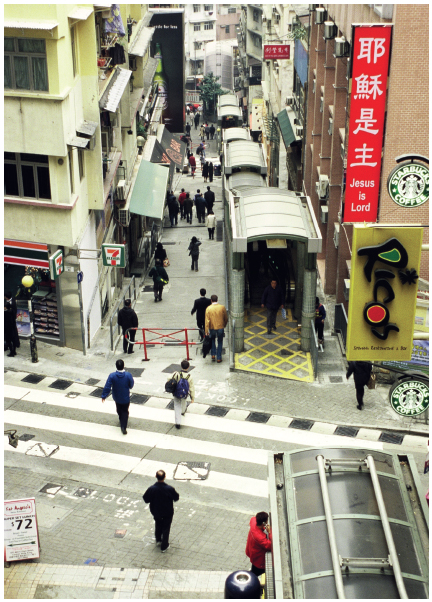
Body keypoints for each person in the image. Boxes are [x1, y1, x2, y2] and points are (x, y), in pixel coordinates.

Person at [143, 470, 180, 553]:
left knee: (158, 524)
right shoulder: (169, 489)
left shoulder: (152, 489)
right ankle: (164, 546)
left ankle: (158, 540)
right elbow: (176, 498)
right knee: (166, 528)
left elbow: (146, 499)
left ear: (156, 477)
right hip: (167, 512)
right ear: (165, 477)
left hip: (156, 511)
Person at [101, 359, 134, 435]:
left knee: (119, 410)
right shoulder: (128, 375)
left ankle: (121, 420)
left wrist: (104, 396)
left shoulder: (112, 376)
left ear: (116, 366)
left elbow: (107, 386)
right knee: (125, 411)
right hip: (125, 397)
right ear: (123, 366)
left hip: (117, 397)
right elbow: (131, 385)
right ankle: (123, 426)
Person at [169, 359, 195, 429]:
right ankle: (183, 411)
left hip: (176, 392)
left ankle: (178, 423)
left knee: (177, 405)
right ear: (188, 367)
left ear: (181, 366)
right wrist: (192, 398)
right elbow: (192, 388)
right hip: (184, 393)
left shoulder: (176, 374)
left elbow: (168, 378)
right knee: (184, 402)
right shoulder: (190, 376)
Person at [245, 512, 272, 577]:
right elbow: (270, 545)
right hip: (259, 561)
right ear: (264, 523)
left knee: (254, 569)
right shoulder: (260, 537)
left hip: (252, 552)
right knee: (256, 574)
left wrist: (264, 527)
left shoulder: (253, 522)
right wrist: (270, 532)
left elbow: (253, 518)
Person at [205, 294, 228, 363]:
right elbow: (225, 318)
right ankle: (219, 357)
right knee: (220, 341)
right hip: (220, 327)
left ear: (211, 300)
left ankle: (213, 354)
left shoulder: (208, 308)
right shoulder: (222, 307)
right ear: (217, 300)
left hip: (212, 328)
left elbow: (207, 320)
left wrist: (206, 330)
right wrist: (224, 324)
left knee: (212, 340)